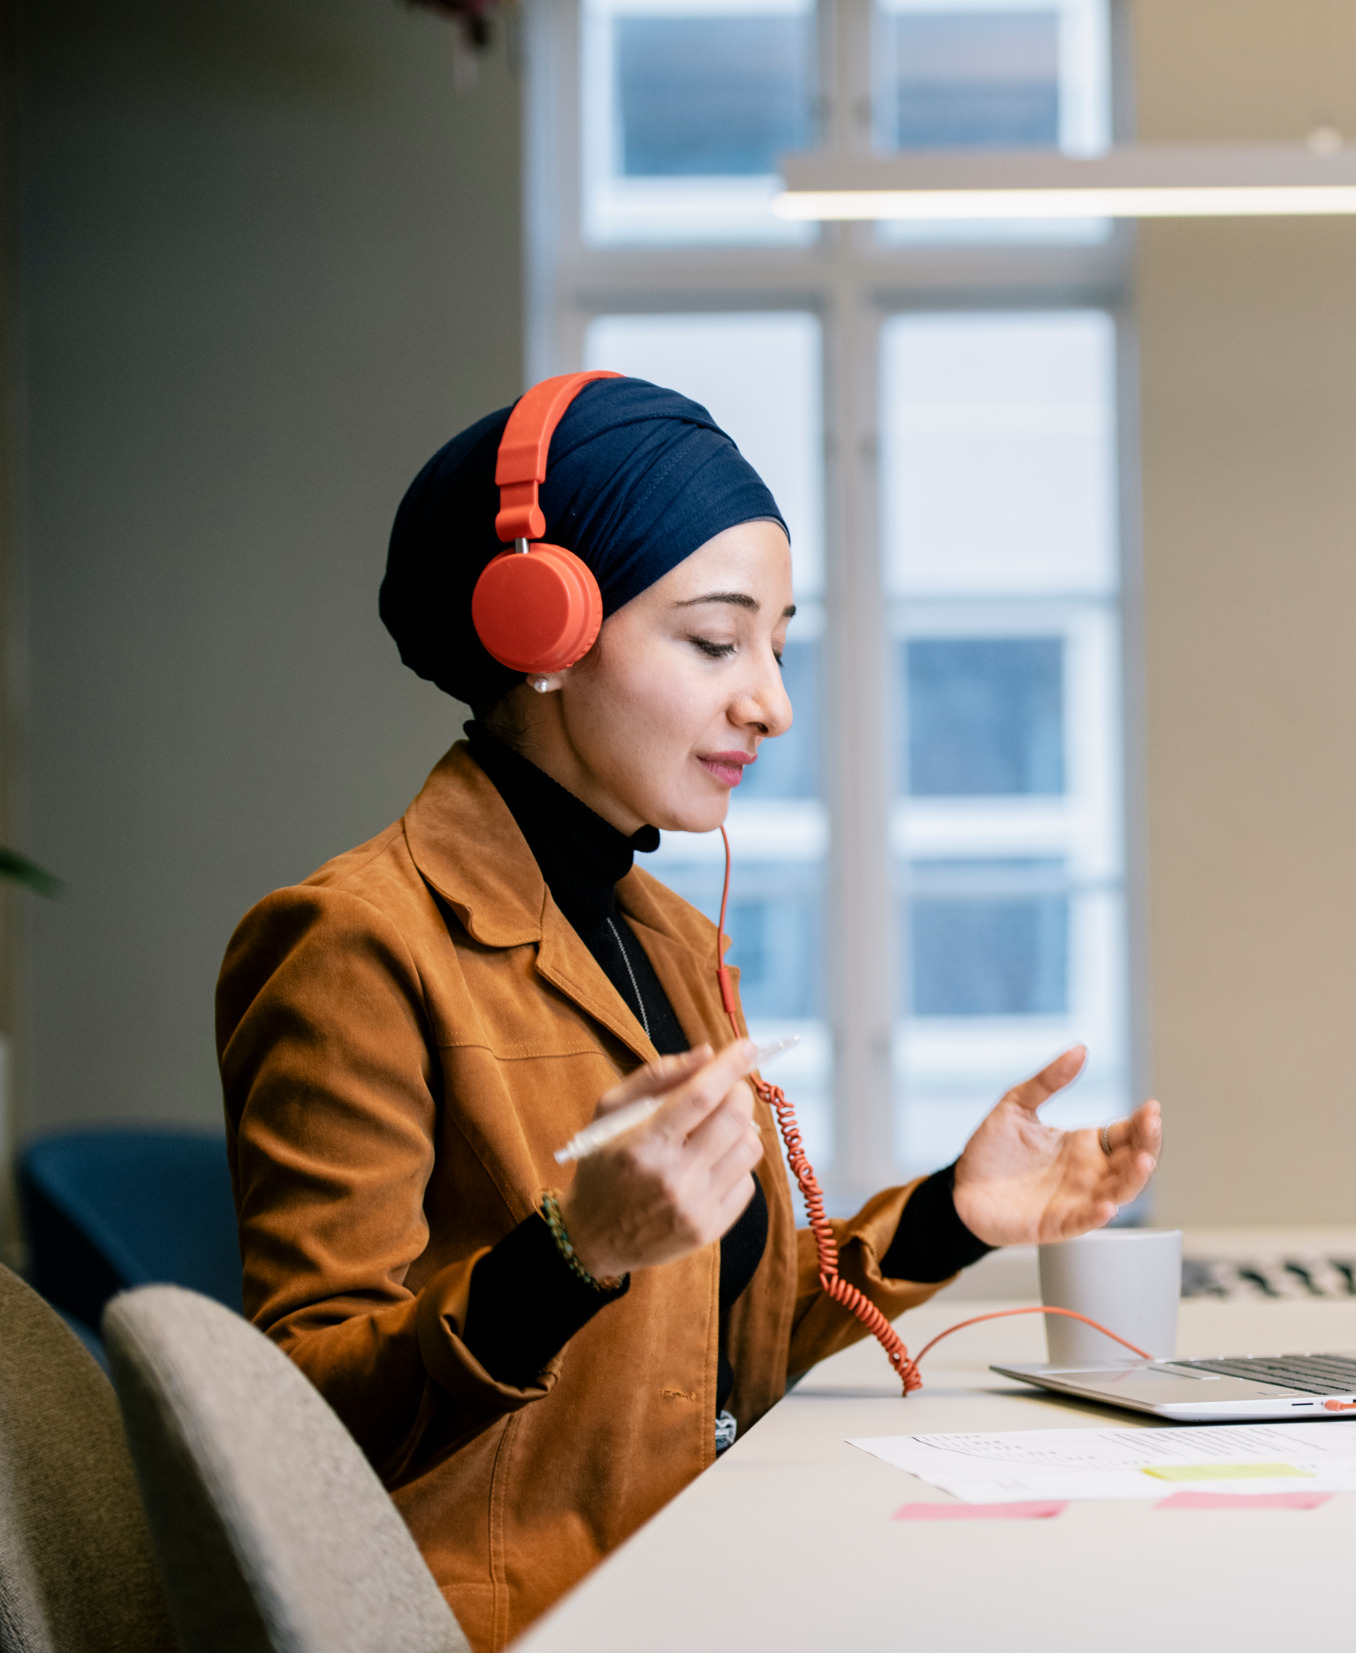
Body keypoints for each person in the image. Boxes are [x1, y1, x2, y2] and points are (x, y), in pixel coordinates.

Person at [217, 377, 1164, 1652]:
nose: (768, 701)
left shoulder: (668, 940)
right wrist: (570, 1256)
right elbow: (298, 1434)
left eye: (779, 646)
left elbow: (720, 1363)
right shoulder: (356, 943)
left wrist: (952, 1214)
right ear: (536, 630)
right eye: (716, 644)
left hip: (697, 1581)